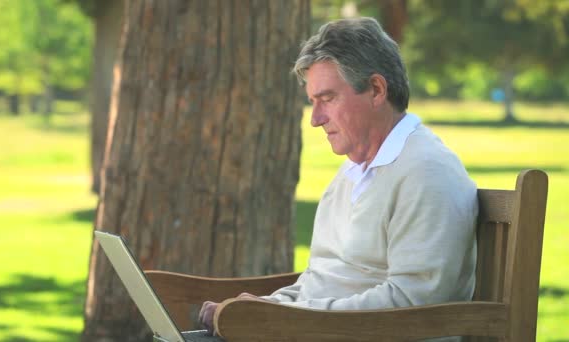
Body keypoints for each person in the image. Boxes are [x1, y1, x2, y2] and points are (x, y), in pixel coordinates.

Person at [199, 17, 478, 339]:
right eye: (312, 102)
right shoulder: (352, 173)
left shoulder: (427, 173)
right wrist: (263, 308)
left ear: (376, 89)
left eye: (328, 99)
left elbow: (412, 303)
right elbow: (322, 280)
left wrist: (284, 317)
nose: (316, 120)